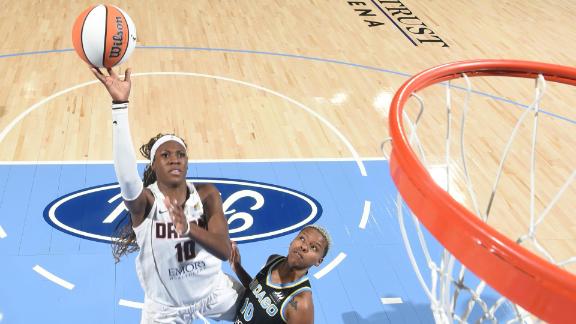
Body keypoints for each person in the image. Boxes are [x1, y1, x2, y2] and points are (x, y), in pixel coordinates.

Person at [91, 67, 243, 323]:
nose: (174, 159)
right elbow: (127, 177)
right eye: (166, 155)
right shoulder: (145, 204)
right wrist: (120, 105)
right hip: (165, 310)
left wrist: (189, 229)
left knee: (265, 314)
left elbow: (222, 249)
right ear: (153, 166)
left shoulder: (206, 194)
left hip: (215, 293)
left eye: (180, 154)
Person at [229, 225, 331, 324]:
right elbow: (256, 290)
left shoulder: (300, 303)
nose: (304, 246)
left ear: (319, 261)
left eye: (313, 247)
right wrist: (237, 268)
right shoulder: (273, 260)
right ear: (292, 241)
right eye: (302, 238)